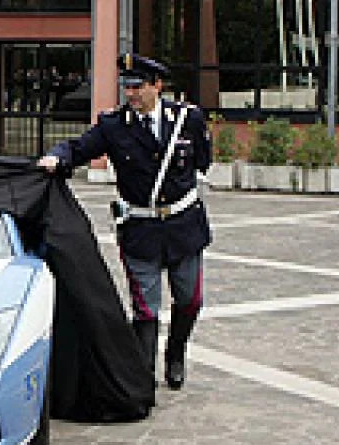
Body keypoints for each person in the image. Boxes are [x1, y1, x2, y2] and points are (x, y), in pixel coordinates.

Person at [37, 54, 211, 393]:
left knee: (189, 300)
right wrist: (57, 157)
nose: (130, 93)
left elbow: (203, 160)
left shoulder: (186, 119)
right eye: (126, 86)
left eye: (137, 86)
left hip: (184, 227)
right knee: (145, 308)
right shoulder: (114, 125)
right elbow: (79, 147)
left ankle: (175, 355)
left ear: (157, 86)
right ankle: (143, 376)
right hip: (141, 229)